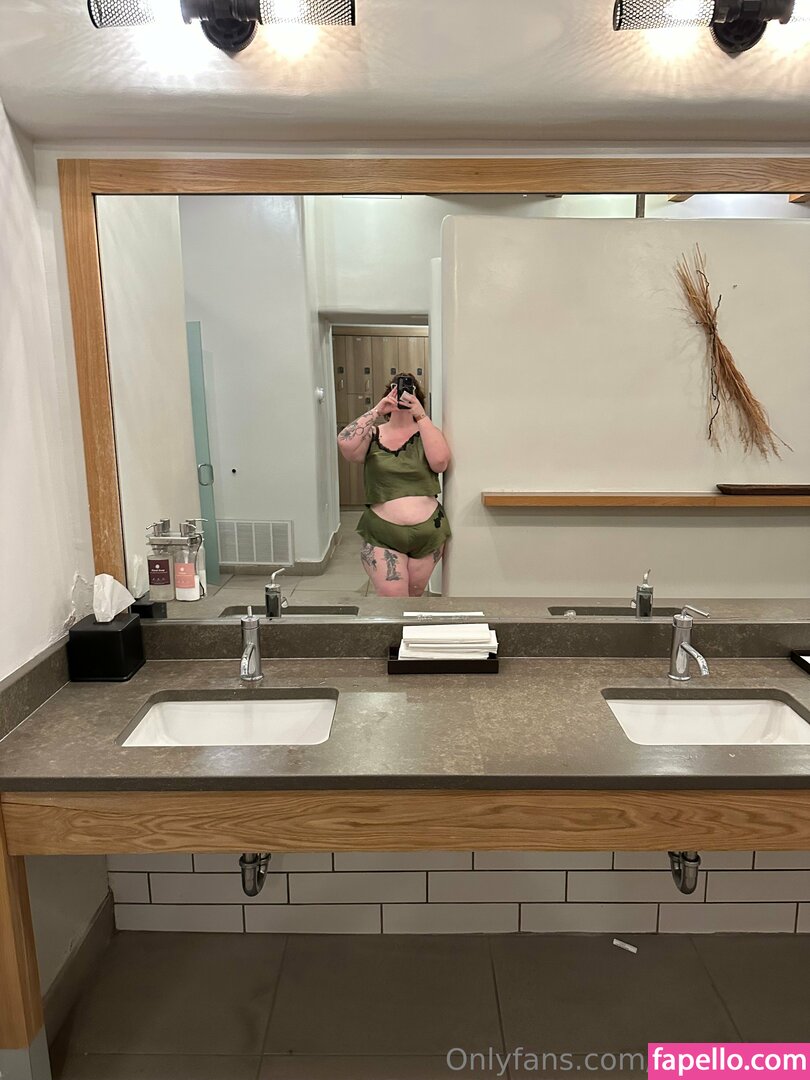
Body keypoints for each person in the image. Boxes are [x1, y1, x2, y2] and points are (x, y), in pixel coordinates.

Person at [337, 372, 451, 596]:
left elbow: (440, 463)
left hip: (428, 533)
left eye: (409, 391)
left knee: (413, 597)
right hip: (383, 534)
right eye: (397, 390)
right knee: (394, 599)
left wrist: (421, 415)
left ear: (417, 397)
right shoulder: (372, 435)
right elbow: (345, 444)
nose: (402, 395)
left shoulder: (428, 433)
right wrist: (377, 410)